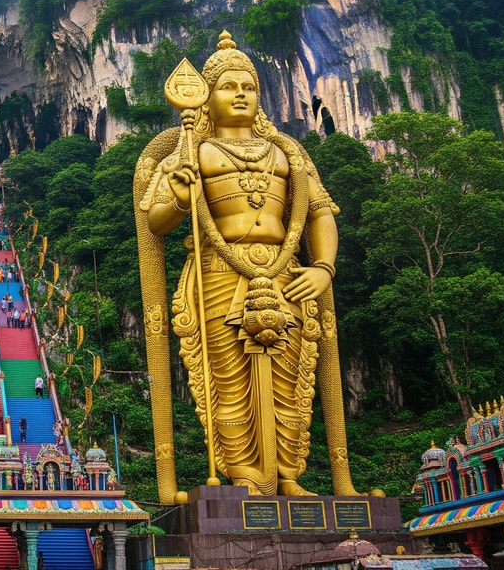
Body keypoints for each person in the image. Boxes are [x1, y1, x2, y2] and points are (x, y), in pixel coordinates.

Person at [135, 31, 361, 500]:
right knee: (228, 380)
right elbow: (154, 219)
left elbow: (319, 212)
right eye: (228, 86)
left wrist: (323, 267)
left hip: (285, 274)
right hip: (219, 274)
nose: (240, 94)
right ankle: (243, 477)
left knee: (290, 378)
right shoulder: (191, 151)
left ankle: (288, 476)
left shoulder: (288, 153)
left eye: (248, 87)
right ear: (207, 97)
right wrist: (179, 195)